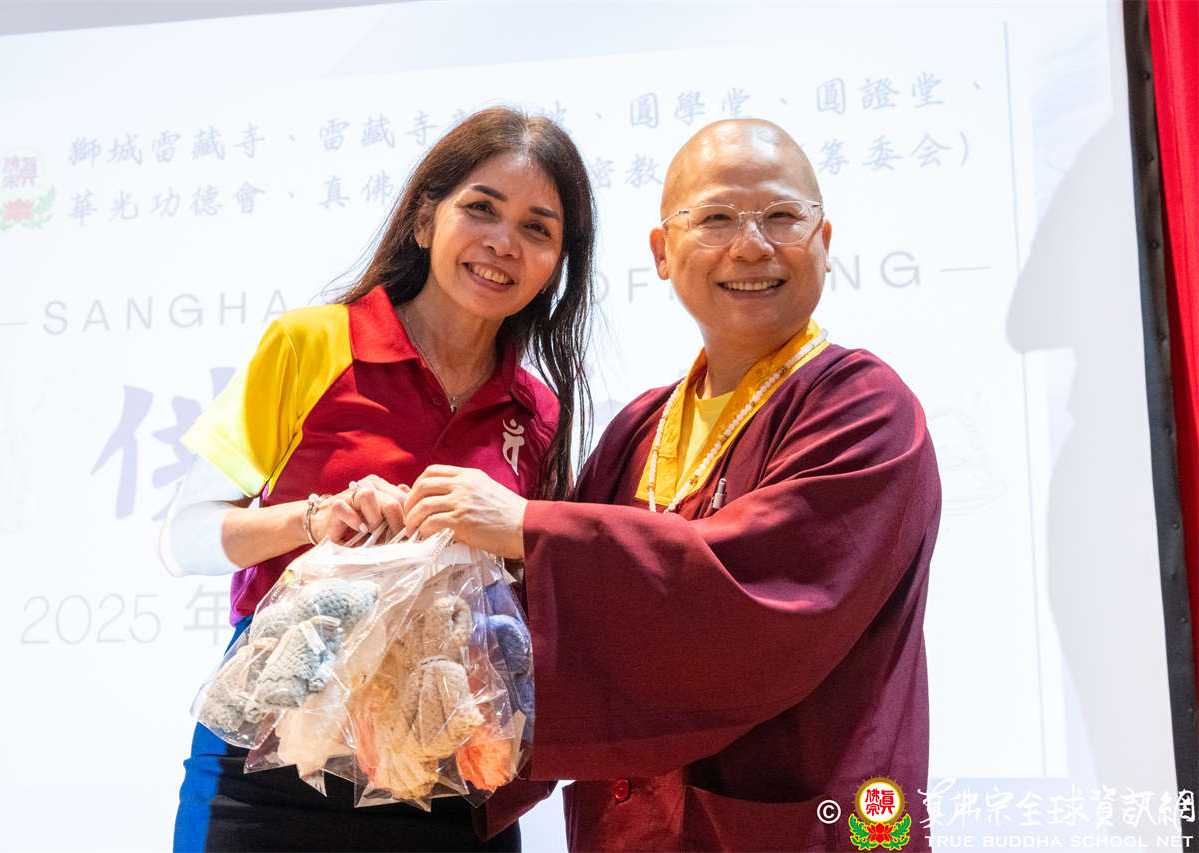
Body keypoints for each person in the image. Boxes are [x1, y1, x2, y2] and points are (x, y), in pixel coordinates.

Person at [402, 118, 942, 852]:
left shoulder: (863, 408)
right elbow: (544, 625)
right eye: (715, 218)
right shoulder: (639, 428)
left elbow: (752, 597)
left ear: (823, 238)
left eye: (781, 216)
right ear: (661, 251)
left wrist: (530, 527)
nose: (750, 245)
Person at [159, 107, 596, 852]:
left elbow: (540, 605)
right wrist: (315, 518)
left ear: (558, 261)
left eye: (537, 228)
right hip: (276, 760)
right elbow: (185, 537)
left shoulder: (540, 412)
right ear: (425, 220)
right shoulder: (311, 344)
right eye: (481, 209)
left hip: (452, 776)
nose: (502, 243)